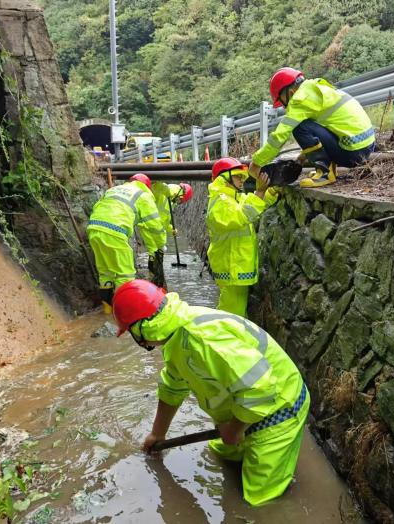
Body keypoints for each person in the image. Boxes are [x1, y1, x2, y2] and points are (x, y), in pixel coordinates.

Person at [112, 279, 310, 507]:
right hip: (242, 411)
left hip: (279, 410)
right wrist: (157, 434)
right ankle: (241, 434)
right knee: (221, 454)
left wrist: (234, 430)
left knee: (258, 502)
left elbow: (261, 389)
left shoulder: (203, 340)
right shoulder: (175, 336)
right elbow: (172, 387)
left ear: (141, 330)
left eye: (130, 333)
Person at [249, 67, 375, 188]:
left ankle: (324, 174)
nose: (283, 106)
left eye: (282, 101)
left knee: (299, 126)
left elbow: (279, 136)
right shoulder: (315, 87)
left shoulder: (299, 99)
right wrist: (303, 157)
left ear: (290, 92)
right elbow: (328, 129)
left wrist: (256, 163)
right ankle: (329, 170)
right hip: (365, 147)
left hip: (353, 154)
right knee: (310, 123)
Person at [206, 157, 277, 317]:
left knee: (233, 309)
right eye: (238, 176)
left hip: (235, 264)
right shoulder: (221, 202)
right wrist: (259, 191)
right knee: (232, 314)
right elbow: (242, 216)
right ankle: (227, 339)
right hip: (232, 265)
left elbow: (258, 203)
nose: (241, 180)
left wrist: (270, 191)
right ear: (224, 178)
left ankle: (228, 337)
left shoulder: (233, 198)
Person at [87, 173, 166, 312]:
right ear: (147, 186)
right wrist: (161, 245)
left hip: (93, 229)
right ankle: (125, 313)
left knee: (105, 273)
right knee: (126, 275)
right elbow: (155, 227)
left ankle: (108, 311)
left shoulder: (114, 189)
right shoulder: (144, 195)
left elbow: (97, 208)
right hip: (115, 232)